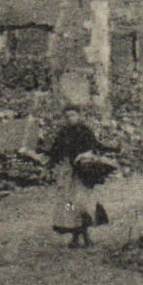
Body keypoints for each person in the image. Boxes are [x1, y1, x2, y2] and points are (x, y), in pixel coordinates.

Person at [46, 104, 104, 247]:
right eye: (67, 116)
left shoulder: (85, 131)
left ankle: (86, 236)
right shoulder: (63, 133)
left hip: (83, 174)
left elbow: (95, 147)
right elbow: (55, 152)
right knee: (69, 206)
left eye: (73, 115)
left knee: (83, 204)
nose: (70, 118)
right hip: (68, 175)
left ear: (78, 116)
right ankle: (75, 237)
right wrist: (50, 165)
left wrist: (87, 156)